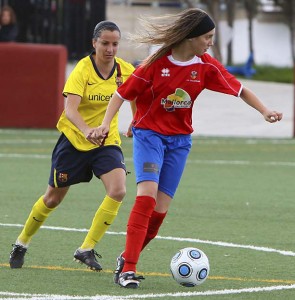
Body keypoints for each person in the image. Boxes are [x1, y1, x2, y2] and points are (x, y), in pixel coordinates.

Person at [91, 8, 283, 288]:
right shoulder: (154, 65)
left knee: (159, 213)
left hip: (180, 142)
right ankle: (128, 270)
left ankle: (126, 257)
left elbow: (239, 89)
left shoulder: (206, 65)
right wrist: (107, 123)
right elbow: (122, 94)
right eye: (207, 36)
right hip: (150, 136)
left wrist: (264, 110)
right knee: (146, 198)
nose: (210, 42)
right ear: (191, 37)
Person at [9, 21, 135, 271]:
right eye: (105, 43)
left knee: (118, 190)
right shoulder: (83, 70)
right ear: (94, 43)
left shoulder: (125, 71)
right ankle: (22, 242)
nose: (110, 49)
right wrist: (87, 131)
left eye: (115, 44)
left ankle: (86, 248)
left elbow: (137, 94)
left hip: (105, 142)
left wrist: (136, 121)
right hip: (75, 141)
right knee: (53, 199)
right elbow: (70, 109)